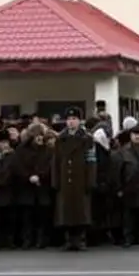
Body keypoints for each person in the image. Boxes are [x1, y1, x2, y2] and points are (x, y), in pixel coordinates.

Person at [52, 107, 96, 251]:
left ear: (80, 121)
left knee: (80, 210)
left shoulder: (87, 138)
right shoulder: (60, 139)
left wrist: (90, 180)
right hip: (65, 178)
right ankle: (69, 240)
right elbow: (56, 161)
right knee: (66, 211)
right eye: (69, 119)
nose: (71, 122)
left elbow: (91, 161)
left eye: (74, 119)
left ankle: (80, 239)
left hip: (80, 178)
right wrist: (55, 180)